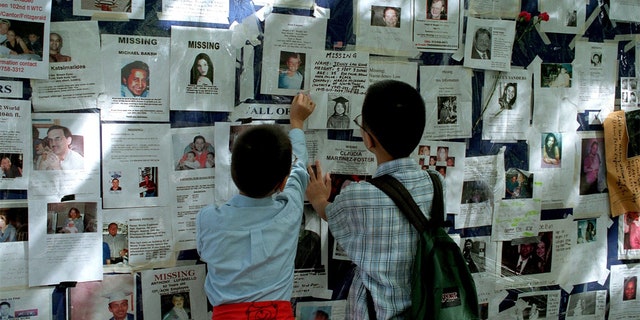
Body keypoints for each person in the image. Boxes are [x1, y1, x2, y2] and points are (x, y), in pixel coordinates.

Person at [305, 80, 441, 318]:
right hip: (425, 311)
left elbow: (328, 212)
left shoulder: (358, 195)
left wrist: (317, 198)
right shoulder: (436, 182)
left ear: (368, 140)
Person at [196, 93, 315, 319]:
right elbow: (299, 168)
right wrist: (297, 122)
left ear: (232, 173)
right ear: (282, 183)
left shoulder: (208, 219)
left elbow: (204, 252)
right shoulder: (289, 210)